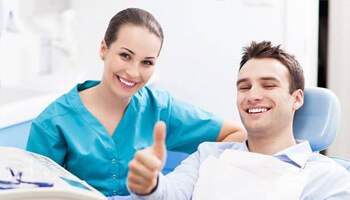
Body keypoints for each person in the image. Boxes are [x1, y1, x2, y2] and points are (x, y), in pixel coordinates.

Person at [25, 8, 246, 197]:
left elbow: (235, 135)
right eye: (125, 56)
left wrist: (184, 180)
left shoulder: (160, 109)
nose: (133, 72)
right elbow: (32, 194)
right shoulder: (53, 123)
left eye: (146, 62)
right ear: (104, 49)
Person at [127, 41, 350, 199]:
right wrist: (149, 184)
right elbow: (169, 193)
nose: (252, 96)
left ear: (297, 98)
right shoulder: (207, 156)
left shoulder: (328, 179)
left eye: (269, 85)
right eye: (244, 87)